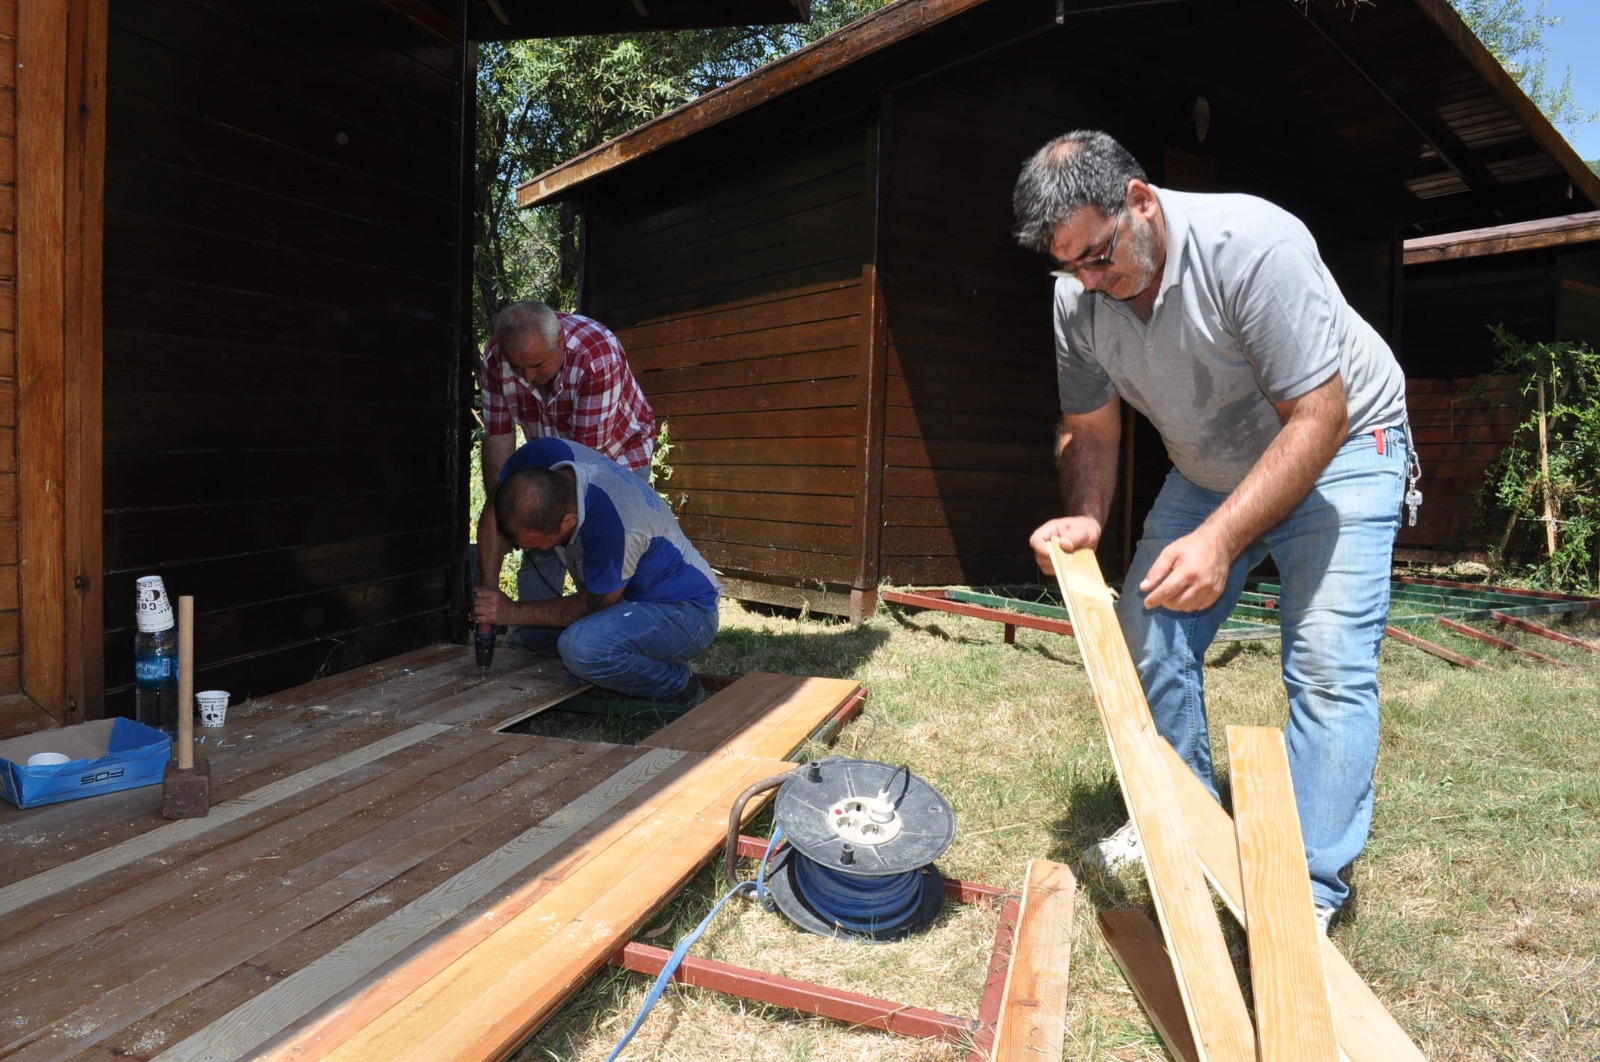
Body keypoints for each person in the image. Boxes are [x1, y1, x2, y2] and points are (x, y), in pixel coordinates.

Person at [1013, 130, 1414, 931]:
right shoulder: (1079, 299)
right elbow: (1089, 428)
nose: (1092, 280)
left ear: (1141, 201)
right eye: (1072, 267)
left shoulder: (1255, 247)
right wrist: (1088, 516)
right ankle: (1184, 824)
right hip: (1209, 466)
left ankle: (1305, 896)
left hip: (1343, 449)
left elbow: (1319, 415)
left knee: (1328, 663)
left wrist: (1221, 542)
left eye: (1099, 254)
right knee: (1148, 623)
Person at [473, 437, 719, 705]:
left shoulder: (611, 527)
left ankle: (677, 684)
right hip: (627, 600)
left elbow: (589, 606)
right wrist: (489, 589)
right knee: (533, 634)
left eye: (529, 544)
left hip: (686, 611)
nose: (522, 550)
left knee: (581, 648)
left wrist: (510, 612)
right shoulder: (540, 457)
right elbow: (495, 509)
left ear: (568, 521)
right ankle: (607, 667)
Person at [476, 300, 657, 615]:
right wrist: (503, 514)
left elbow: (585, 463)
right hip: (550, 455)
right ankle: (531, 640)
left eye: (537, 365)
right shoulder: (496, 357)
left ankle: (621, 626)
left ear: (559, 342)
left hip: (618, 456)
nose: (527, 378)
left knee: (611, 547)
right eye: (517, 368)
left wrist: (545, 511)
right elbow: (498, 436)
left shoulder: (597, 353)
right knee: (534, 534)